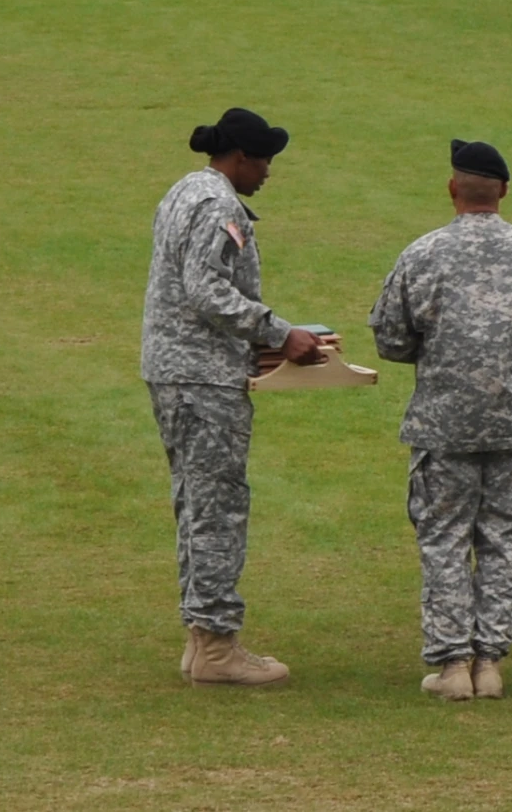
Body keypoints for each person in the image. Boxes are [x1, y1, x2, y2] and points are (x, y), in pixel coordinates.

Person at [369, 140, 512, 700]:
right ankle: (489, 661)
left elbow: (389, 337)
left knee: (444, 539)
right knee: (506, 541)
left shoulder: (422, 253)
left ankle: (453, 663)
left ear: (453, 188)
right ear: (503, 191)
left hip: (445, 422)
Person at [143, 107, 323, 686]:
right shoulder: (220, 204)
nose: (269, 171)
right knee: (218, 507)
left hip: (174, 370)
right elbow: (205, 290)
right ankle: (218, 644)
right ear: (239, 158)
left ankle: (201, 638)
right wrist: (279, 332)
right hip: (203, 377)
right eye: (265, 160)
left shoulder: (185, 189)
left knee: (194, 502)